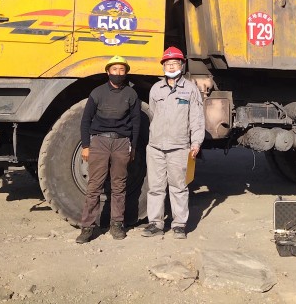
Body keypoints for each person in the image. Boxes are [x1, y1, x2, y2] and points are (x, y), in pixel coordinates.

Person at [76, 55, 141, 244]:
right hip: (99, 142)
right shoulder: (97, 93)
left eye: (122, 70)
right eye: (114, 69)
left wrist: (133, 147)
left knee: (119, 185)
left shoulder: (131, 94)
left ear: (126, 72)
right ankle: (87, 227)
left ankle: (117, 224)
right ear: (108, 72)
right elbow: (86, 120)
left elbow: (136, 122)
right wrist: (86, 146)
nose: (118, 73)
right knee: (94, 186)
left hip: (122, 142)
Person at [141, 47, 205, 239]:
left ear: (182, 65)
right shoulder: (156, 89)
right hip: (156, 147)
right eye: (167, 63)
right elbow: (154, 114)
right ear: (163, 66)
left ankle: (179, 225)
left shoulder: (190, 89)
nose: (171, 66)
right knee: (155, 187)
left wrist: (196, 143)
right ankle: (155, 223)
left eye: (175, 63)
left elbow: (196, 118)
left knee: (179, 187)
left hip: (179, 147)